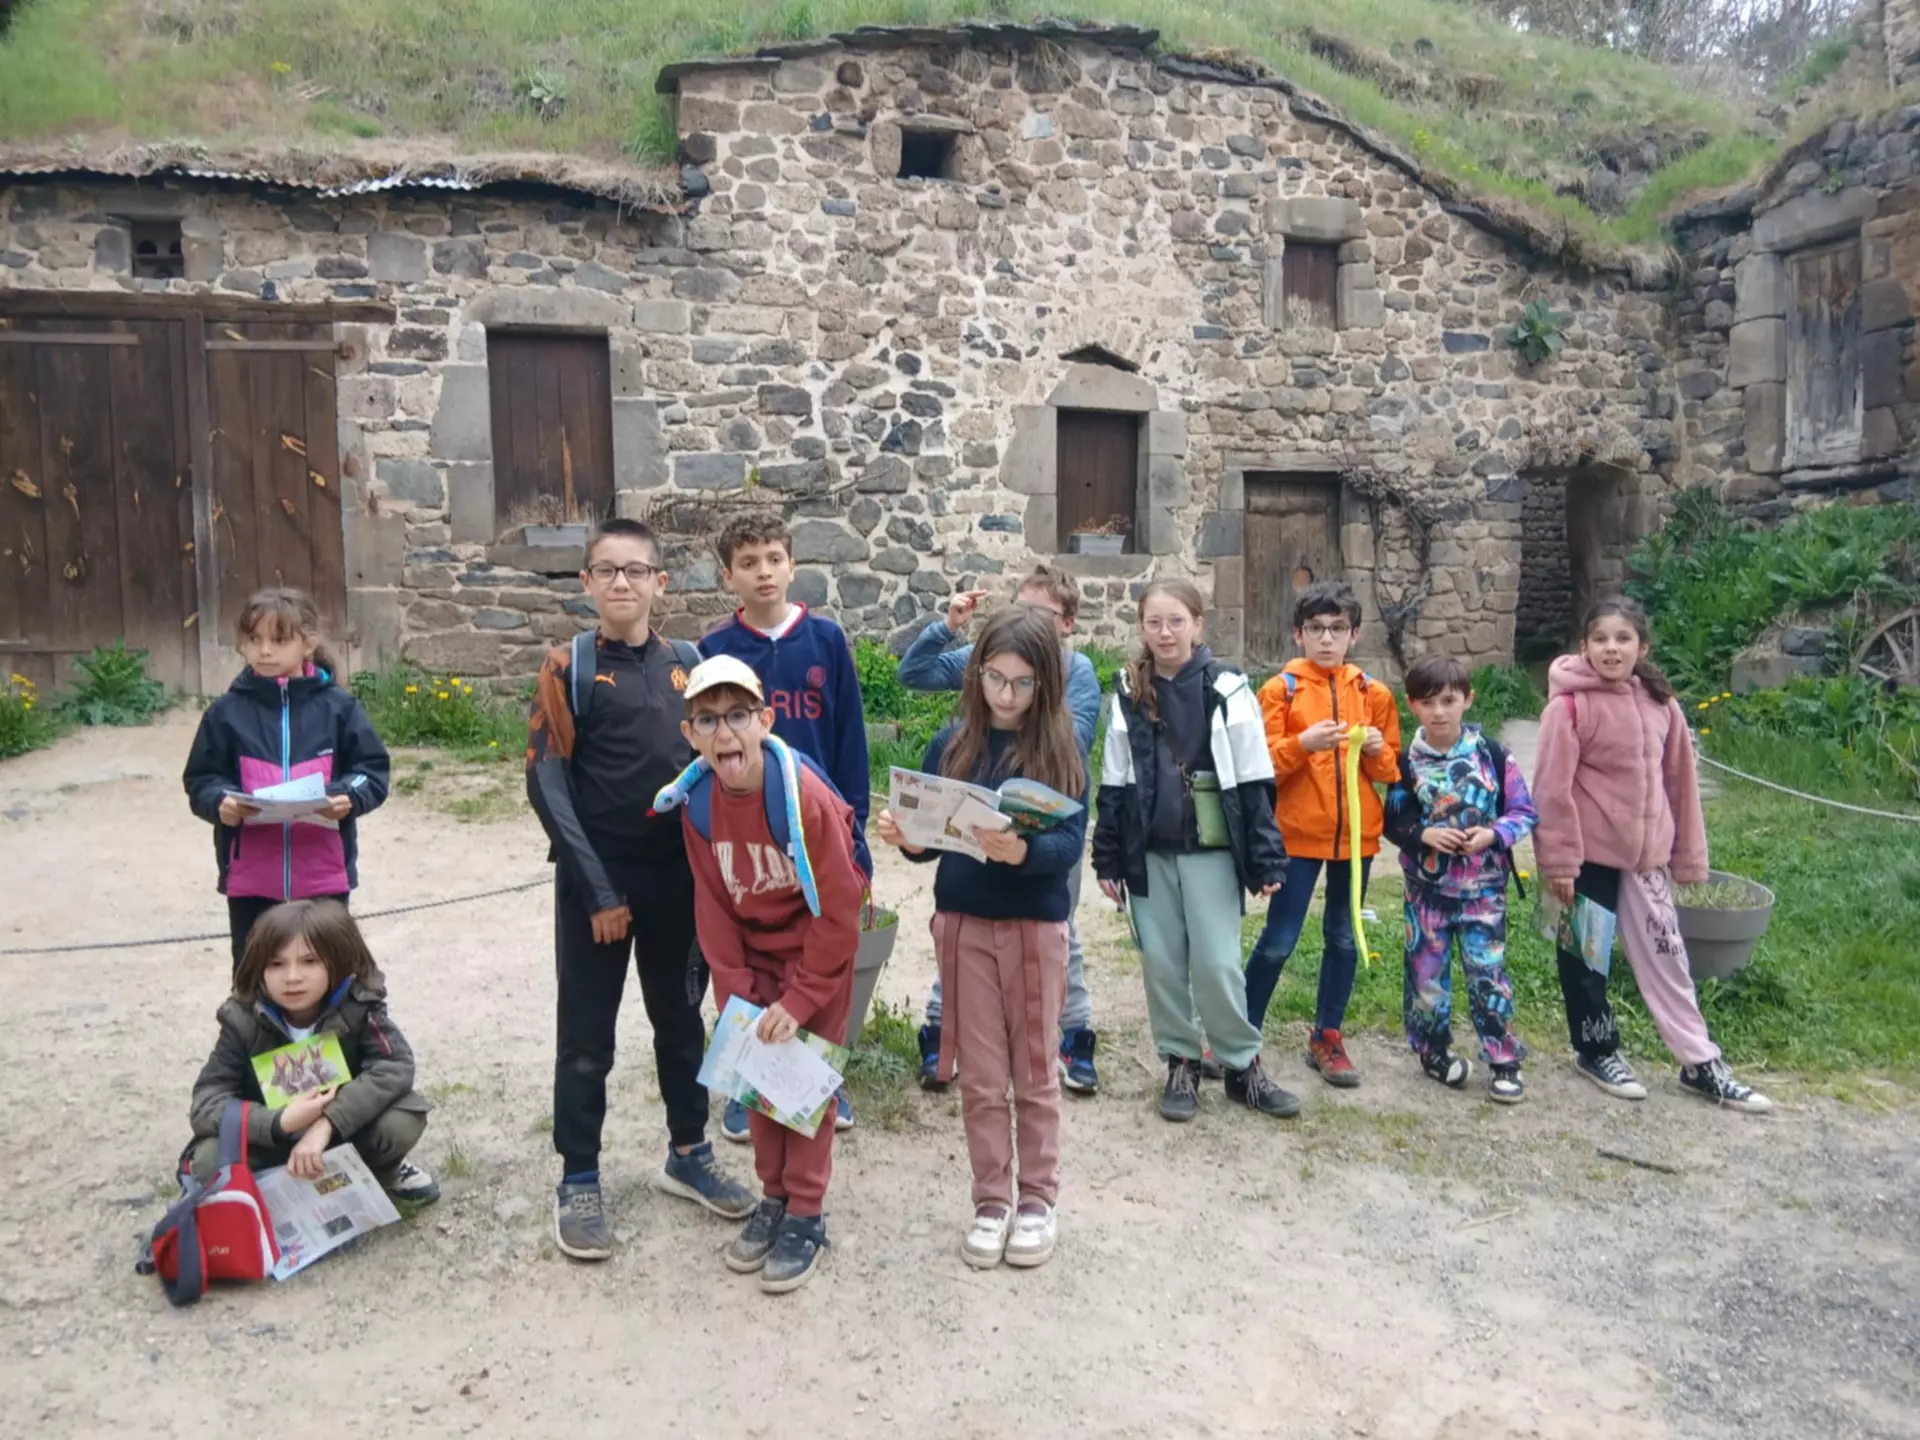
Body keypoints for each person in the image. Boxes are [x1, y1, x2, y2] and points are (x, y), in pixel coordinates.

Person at [526, 518, 755, 1261]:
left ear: (661, 583)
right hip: (596, 886)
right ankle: (580, 1177)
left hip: (677, 883)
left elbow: (723, 760)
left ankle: (688, 1153)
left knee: (681, 1022)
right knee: (587, 1037)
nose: (621, 583)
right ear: (587, 583)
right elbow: (547, 780)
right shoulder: (568, 666)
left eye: (636, 571)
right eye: (606, 571)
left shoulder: (693, 665)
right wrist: (596, 890)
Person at [877, 607, 1087, 1268]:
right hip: (963, 922)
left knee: (1034, 1068)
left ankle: (1037, 1200)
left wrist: (1021, 852)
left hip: (1034, 926)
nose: (1005, 694)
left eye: (1022, 683)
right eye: (995, 678)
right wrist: (908, 841)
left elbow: (1068, 844)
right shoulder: (953, 742)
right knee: (982, 1075)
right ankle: (991, 1200)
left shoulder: (1058, 747)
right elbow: (932, 843)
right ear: (975, 675)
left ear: (1046, 684)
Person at [655, 655, 865, 1294]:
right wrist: (737, 995)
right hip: (752, 958)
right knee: (757, 1085)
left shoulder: (801, 799)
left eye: (739, 716)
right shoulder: (697, 805)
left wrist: (801, 1002)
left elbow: (841, 908)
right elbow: (713, 905)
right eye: (708, 720)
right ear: (690, 734)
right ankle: (772, 1196)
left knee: (802, 1090)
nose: (726, 735)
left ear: (765, 720)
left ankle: (806, 1211)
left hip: (815, 957)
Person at [1533, 597, 1771, 1112]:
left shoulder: (1662, 705)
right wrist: (1557, 862)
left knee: (1670, 957)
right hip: (1585, 858)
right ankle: (1595, 1051)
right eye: (1600, 639)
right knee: (1583, 960)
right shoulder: (1568, 707)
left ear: (1643, 647)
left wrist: (1688, 856)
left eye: (1623, 639)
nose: (1611, 649)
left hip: (1648, 859)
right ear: (1584, 646)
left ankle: (1699, 1062)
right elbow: (1551, 790)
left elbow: (1680, 783)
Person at [1091, 579, 1299, 1124]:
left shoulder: (1228, 688)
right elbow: (1115, 780)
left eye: (1176, 621)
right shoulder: (1127, 691)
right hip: (1150, 850)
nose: (1165, 633)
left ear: (1198, 625)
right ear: (1141, 627)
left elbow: (1254, 778)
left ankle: (1239, 1064)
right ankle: (1180, 1060)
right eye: (1154, 622)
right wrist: (1108, 856)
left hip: (1209, 849)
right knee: (1161, 964)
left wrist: (1265, 856)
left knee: (1217, 964)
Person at [696, 511, 871, 1140]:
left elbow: (850, 739)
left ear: (792, 566)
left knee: (822, 950)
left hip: (818, 832)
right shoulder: (715, 650)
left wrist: (857, 830)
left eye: (773, 558)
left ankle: (823, 1080)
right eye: (748, 563)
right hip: (746, 833)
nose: (763, 572)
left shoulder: (826, 642)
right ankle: (748, 1079)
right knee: (747, 955)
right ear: (728, 576)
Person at [898, 564, 1104, 1095]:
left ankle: (1073, 1032)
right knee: (966, 916)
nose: (1005, 691)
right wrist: (949, 627)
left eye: (1044, 615)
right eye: (1023, 610)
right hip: (979, 806)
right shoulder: (984, 659)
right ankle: (944, 1027)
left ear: (1067, 624)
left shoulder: (1076, 670)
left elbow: (1072, 743)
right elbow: (913, 674)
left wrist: (1018, 776)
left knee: (1059, 929)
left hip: (1042, 815)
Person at [1243, 582, 1401, 1088]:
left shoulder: (1373, 693)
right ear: (1298, 633)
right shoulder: (1278, 690)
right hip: (1295, 839)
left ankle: (1327, 1035)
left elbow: (1390, 771)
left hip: (1357, 842)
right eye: (1316, 629)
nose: (1326, 639)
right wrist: (1303, 744)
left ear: (1353, 635)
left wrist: (1376, 750)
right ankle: (1240, 1034)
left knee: (1342, 939)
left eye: (1337, 629)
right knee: (1278, 941)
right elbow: (1260, 766)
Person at [183, 588, 390, 971]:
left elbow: (372, 773)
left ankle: (327, 1035)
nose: (264, 651)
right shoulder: (224, 714)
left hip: (323, 878)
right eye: (253, 639)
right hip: (251, 882)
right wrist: (220, 803)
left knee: (327, 976)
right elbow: (201, 779)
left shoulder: (340, 709)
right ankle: (259, 1034)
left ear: (308, 643)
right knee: (255, 979)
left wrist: (348, 797)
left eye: (279, 640)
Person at [186, 898, 437, 1202]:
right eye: (276, 964)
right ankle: (263, 1194)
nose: (292, 977)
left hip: (342, 1132)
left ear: (338, 960)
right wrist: (278, 1122)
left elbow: (394, 1066)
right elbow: (207, 1101)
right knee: (208, 1159)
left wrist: (327, 1122)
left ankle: (381, 1173)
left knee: (401, 1121)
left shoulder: (359, 1006)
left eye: (310, 961)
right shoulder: (242, 1019)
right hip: (273, 1140)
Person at [1382, 655, 1537, 1103]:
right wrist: (1423, 834)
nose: (1439, 712)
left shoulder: (1492, 754)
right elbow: (1392, 822)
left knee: (1487, 974)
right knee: (1426, 979)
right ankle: (1433, 1052)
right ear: (1412, 705)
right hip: (1426, 896)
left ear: (1467, 700)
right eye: (1428, 702)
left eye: (1449, 701)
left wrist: (1492, 834)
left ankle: (1504, 1059)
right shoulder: (1403, 763)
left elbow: (1524, 812)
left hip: (1483, 893)